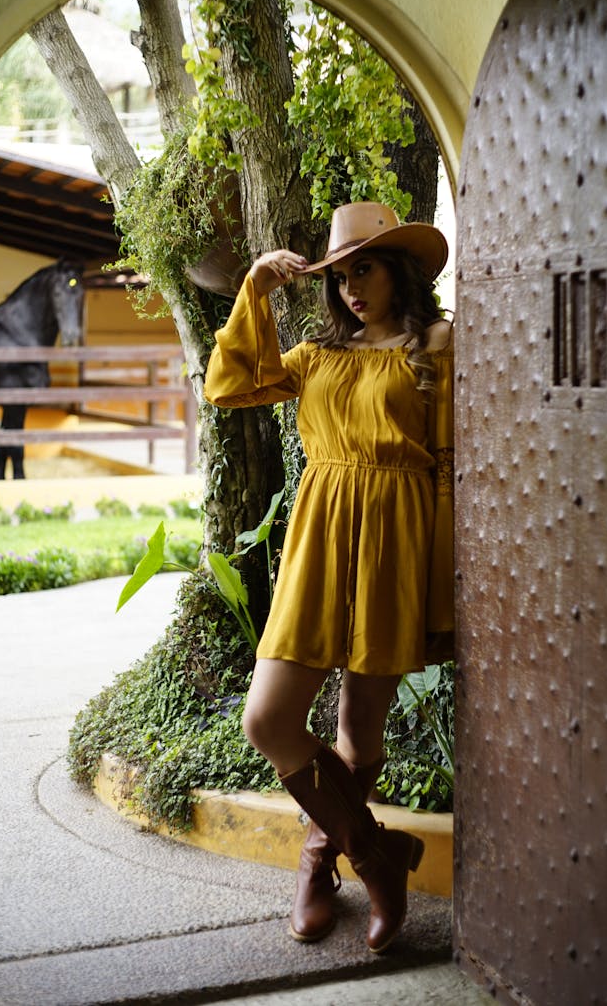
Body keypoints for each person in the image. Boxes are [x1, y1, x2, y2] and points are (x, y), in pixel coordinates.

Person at [204, 201, 454, 954]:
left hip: (395, 542)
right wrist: (254, 290)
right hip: (320, 540)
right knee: (269, 719)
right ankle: (380, 861)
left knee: (357, 733)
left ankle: (319, 862)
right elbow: (231, 385)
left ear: (399, 270)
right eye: (340, 275)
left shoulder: (436, 344)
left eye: (365, 269)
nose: (351, 287)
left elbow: (451, 464)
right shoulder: (315, 355)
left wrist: (443, 578)